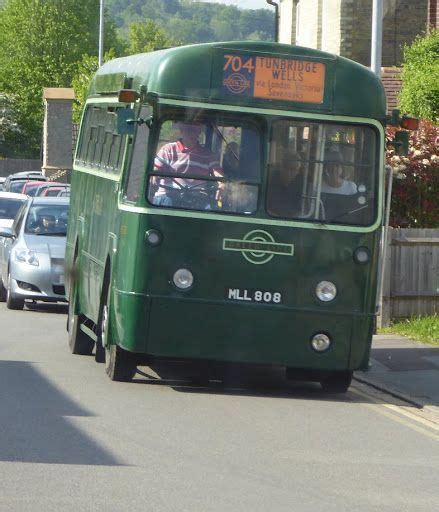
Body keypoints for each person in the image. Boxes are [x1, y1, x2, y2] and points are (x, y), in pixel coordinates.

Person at [150, 121, 223, 209]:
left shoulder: (208, 155)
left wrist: (222, 183)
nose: (191, 133)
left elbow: (218, 173)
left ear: (199, 132)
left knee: (210, 210)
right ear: (182, 130)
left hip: (197, 198)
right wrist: (155, 174)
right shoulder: (168, 149)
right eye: (188, 130)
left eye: (195, 130)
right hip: (169, 195)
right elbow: (156, 168)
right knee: (166, 202)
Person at [267, 150, 305, 218]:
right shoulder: (269, 179)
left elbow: (303, 210)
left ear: (298, 171)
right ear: (280, 166)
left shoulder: (303, 185)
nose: (288, 173)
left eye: (293, 169)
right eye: (286, 167)